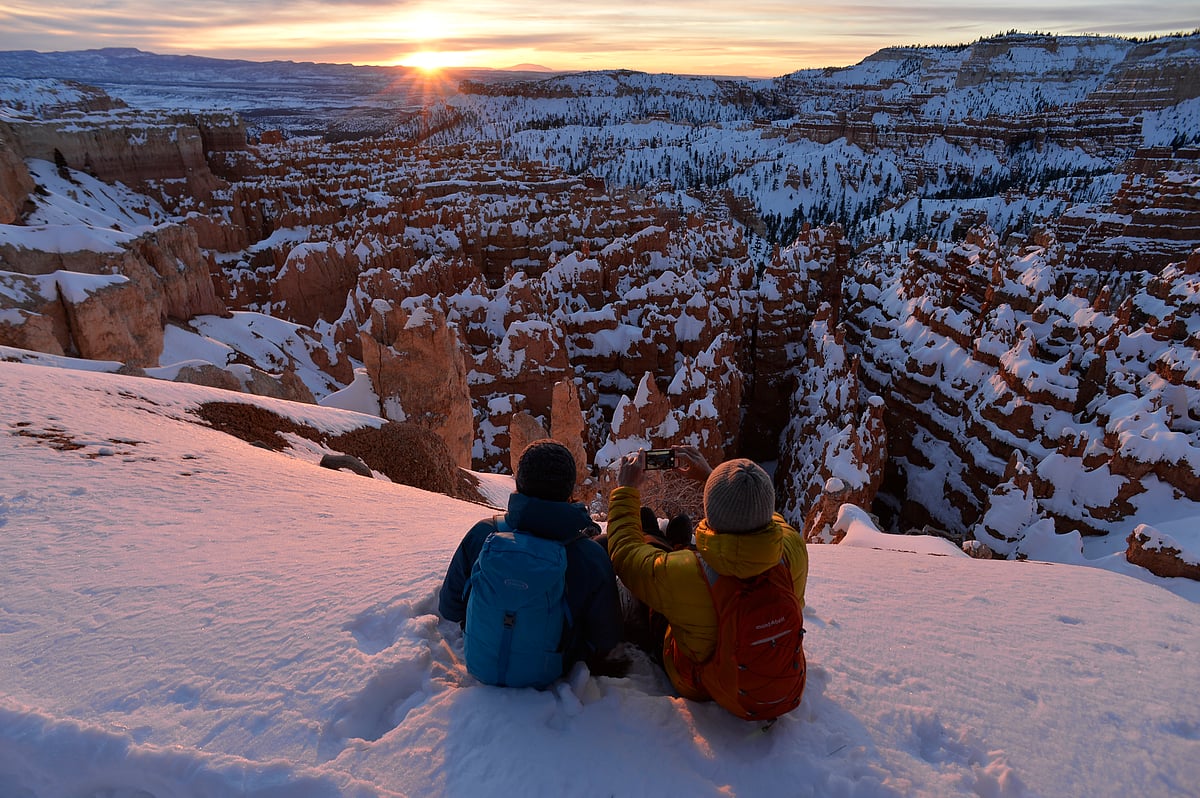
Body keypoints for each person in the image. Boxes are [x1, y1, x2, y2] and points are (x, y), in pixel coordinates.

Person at [607, 445, 808, 715]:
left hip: (700, 684)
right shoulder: (792, 548)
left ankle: (669, 542)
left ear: (711, 512)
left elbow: (626, 554)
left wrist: (625, 491)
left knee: (657, 590)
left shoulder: (685, 574)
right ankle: (676, 542)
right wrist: (713, 478)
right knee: (682, 563)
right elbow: (762, 515)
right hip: (777, 674)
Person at [439, 439, 625, 682]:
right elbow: (606, 640)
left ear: (519, 484)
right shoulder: (589, 556)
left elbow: (449, 608)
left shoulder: (483, 534)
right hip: (551, 668)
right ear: (570, 491)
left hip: (480, 662)